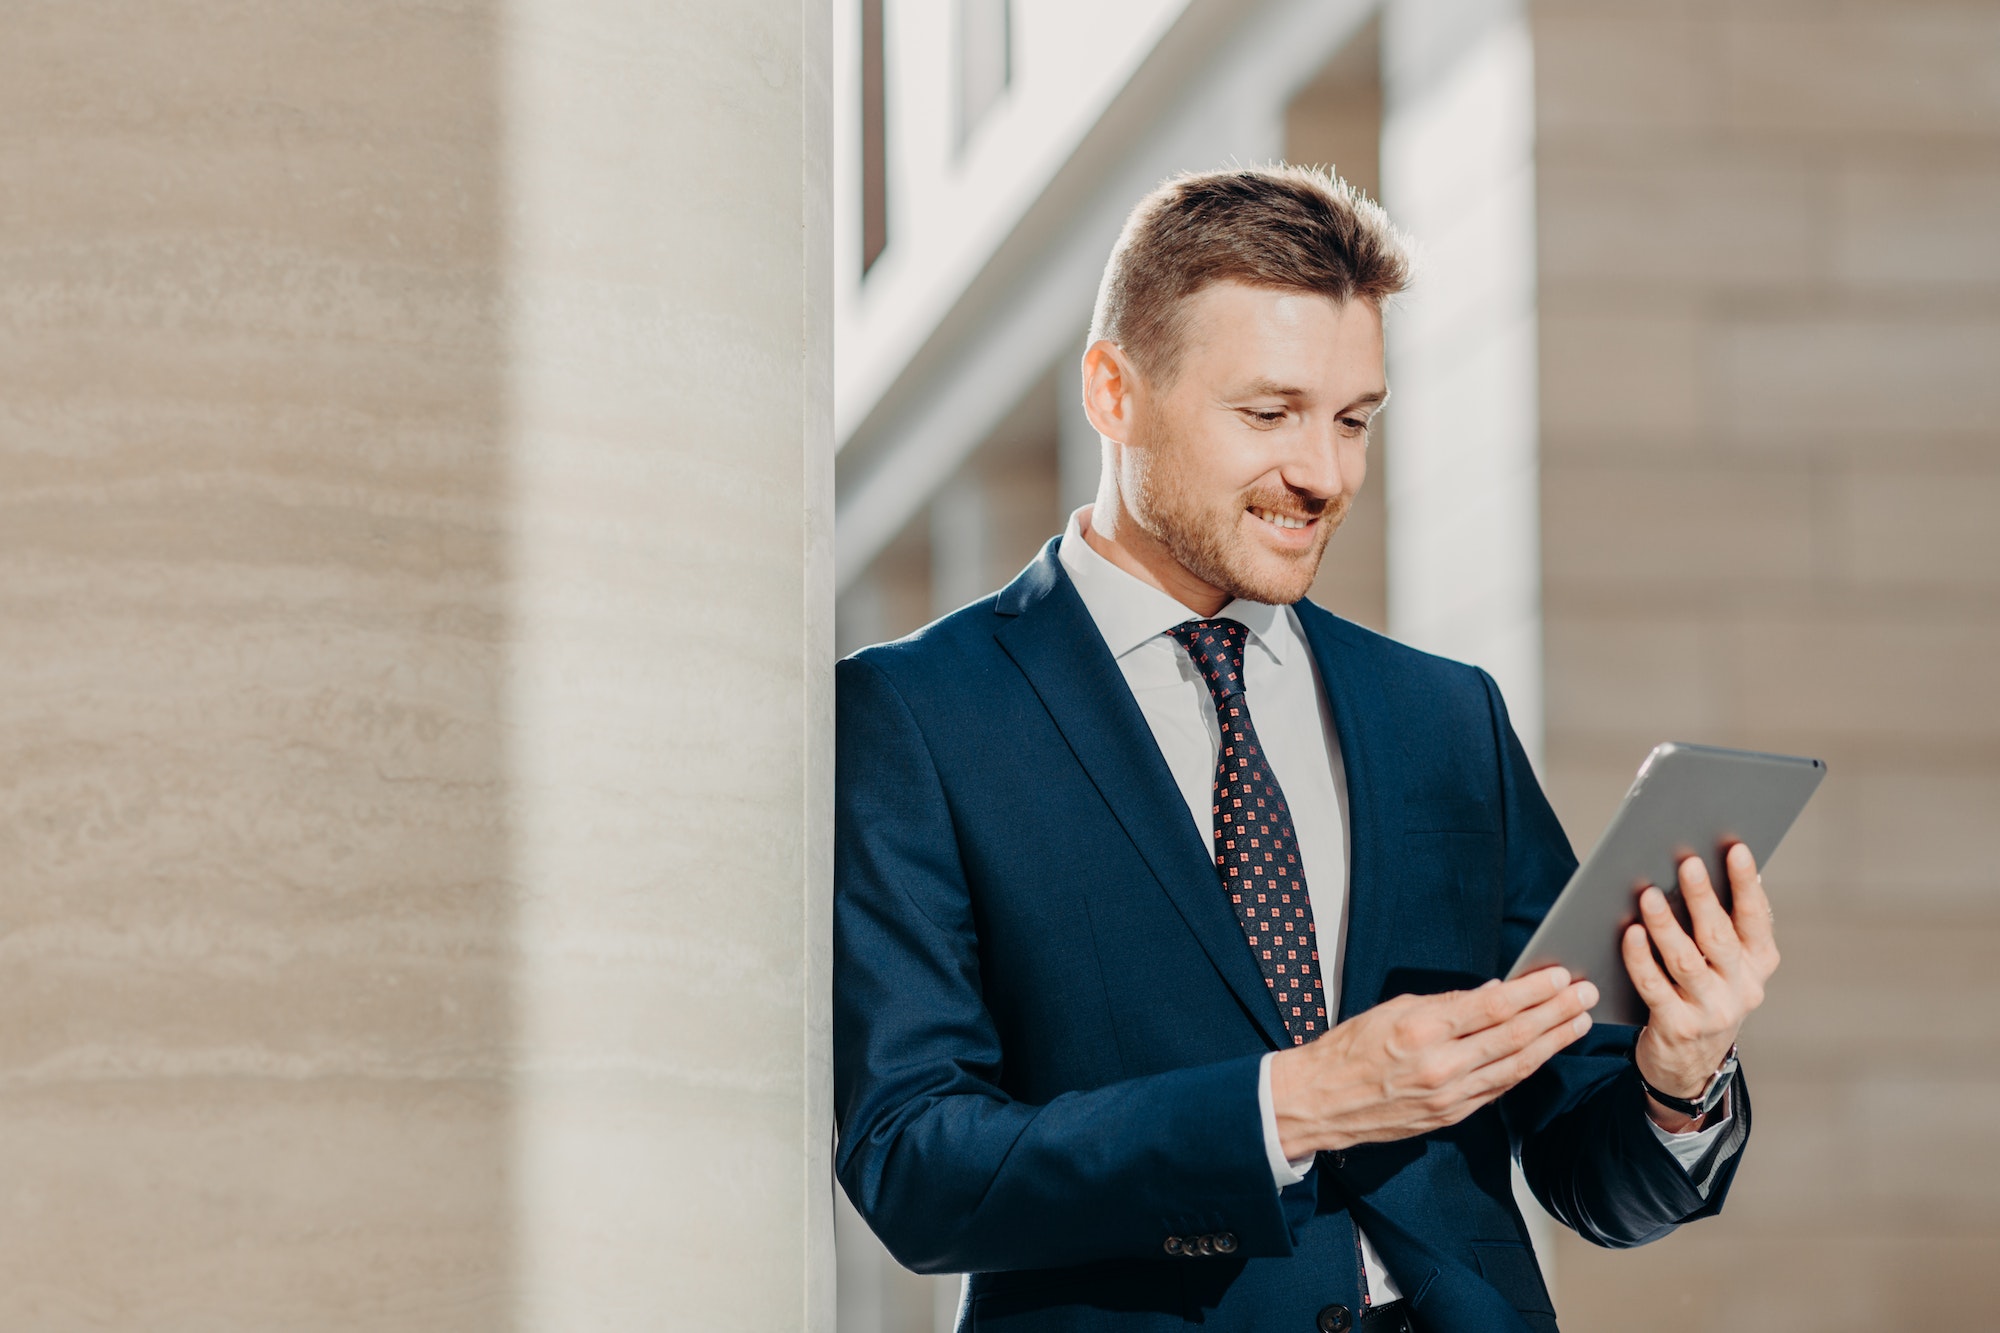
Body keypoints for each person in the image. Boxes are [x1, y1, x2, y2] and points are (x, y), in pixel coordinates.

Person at [833, 165, 1777, 1333]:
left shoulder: (1441, 716)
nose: (1322, 475)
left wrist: (1676, 1080)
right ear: (1112, 392)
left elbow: (1588, 1171)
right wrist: (1293, 1104)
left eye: (1351, 420)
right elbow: (913, 1163)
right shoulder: (916, 716)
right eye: (1267, 414)